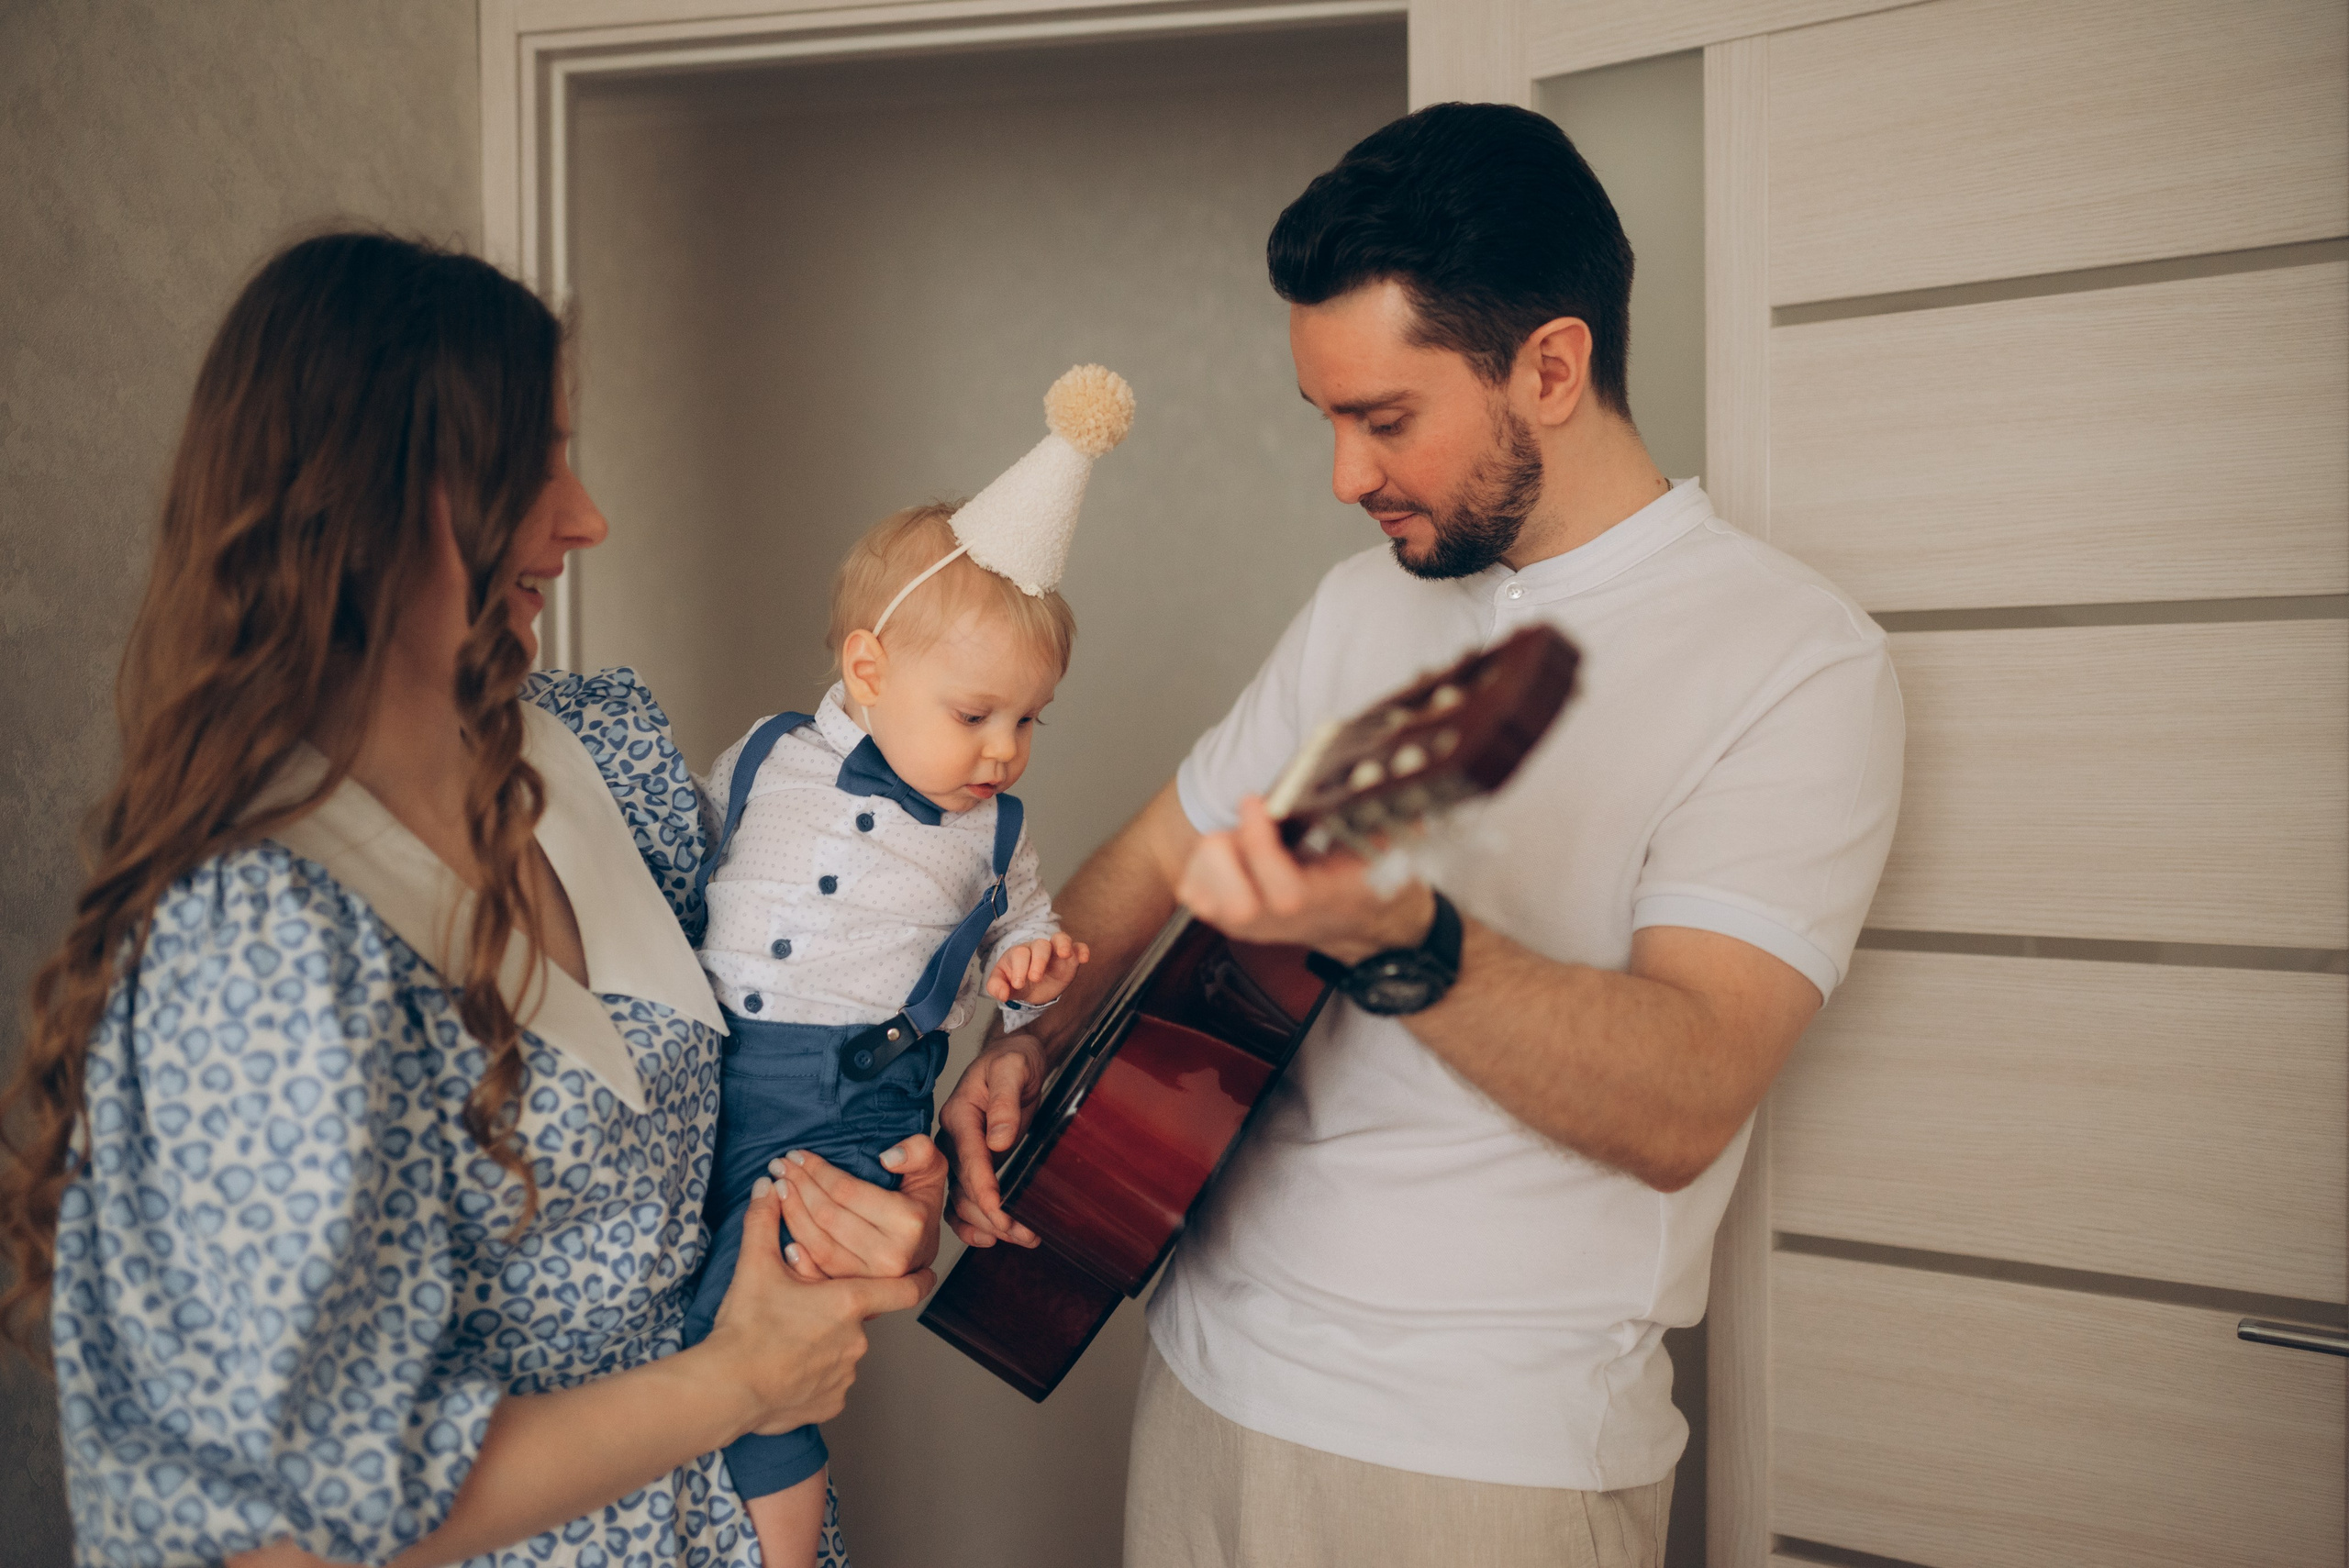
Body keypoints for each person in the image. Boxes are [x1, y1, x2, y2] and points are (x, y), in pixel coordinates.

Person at [941, 103, 1904, 1567]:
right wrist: (1030, 1037)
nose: (1344, 476)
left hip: (1480, 1454)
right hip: (1199, 1366)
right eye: (1327, 417)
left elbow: (1689, 1095)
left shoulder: (1793, 658)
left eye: (1385, 419)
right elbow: (1153, 860)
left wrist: (1406, 936)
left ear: (1555, 367)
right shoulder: (1361, 605)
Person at [0, 230, 941, 1568]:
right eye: (535, 462)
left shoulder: (601, 753)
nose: (586, 516)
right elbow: (276, 1540)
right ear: (373, 497)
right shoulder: (261, 933)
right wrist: (739, 1384)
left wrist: (863, 1182)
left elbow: (763, 1086)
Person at [677, 364, 1131, 1566]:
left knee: (757, 1335)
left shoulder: (995, 836)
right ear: (869, 671)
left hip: (843, 1101)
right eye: (978, 712)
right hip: (708, 1070)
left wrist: (1030, 977)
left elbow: (1014, 973)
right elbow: (680, 867)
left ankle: (778, 1553)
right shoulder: (766, 753)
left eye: (1031, 720)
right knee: (666, 1311)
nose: (1005, 748)